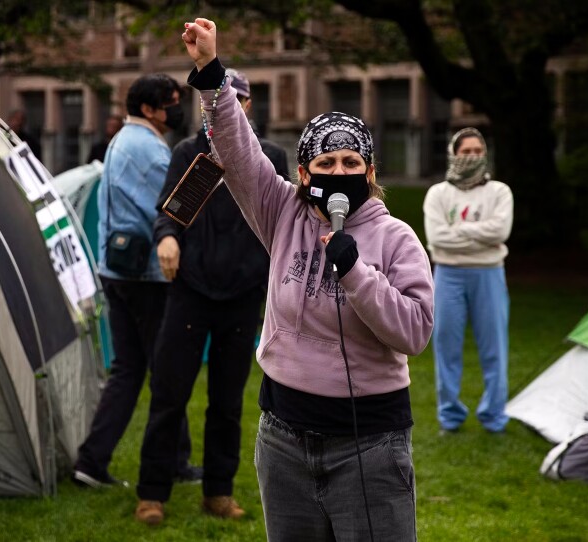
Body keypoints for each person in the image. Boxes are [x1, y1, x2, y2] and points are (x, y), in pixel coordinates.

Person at [181, 19, 434, 541]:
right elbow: (238, 150)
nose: (337, 172)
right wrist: (210, 72)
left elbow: (414, 332)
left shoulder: (396, 238)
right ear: (302, 173)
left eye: (349, 162)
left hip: (369, 445)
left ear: (367, 173)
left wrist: (357, 272)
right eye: (325, 162)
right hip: (284, 439)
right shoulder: (281, 212)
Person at [134, 69, 290, 525]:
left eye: (239, 100)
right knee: (169, 394)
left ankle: (218, 491)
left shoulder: (269, 158)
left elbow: (286, 226)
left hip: (242, 296)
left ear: (246, 108)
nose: (231, 108)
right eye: (221, 101)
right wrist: (167, 238)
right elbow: (171, 213)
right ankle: (152, 493)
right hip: (191, 293)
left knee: (227, 401)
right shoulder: (193, 153)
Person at [72, 73, 198, 488]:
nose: (178, 110)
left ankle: (92, 461)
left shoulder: (121, 140)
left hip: (116, 270)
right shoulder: (149, 148)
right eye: (172, 102)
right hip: (146, 277)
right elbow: (176, 205)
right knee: (167, 370)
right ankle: (173, 463)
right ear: (148, 109)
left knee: (129, 370)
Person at [422, 127, 513, 435]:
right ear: (454, 154)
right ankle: (450, 416)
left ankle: (494, 415)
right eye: (466, 151)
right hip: (448, 275)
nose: (472, 156)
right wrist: (479, 233)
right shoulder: (438, 194)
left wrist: (458, 231)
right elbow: (436, 237)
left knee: (494, 347)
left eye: (478, 151)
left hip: (489, 273)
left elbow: (500, 232)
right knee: (446, 346)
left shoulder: (499, 192)